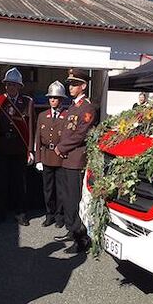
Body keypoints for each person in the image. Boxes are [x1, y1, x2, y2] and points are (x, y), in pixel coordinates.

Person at [54, 69, 96, 254]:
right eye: (69, 84)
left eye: (74, 84)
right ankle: (71, 231)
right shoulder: (72, 106)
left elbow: (81, 134)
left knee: (76, 200)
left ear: (83, 86)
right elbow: (67, 131)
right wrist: (62, 148)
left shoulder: (87, 107)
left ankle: (81, 239)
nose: (70, 87)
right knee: (67, 198)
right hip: (67, 158)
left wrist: (62, 148)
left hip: (76, 159)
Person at [0, 67, 35, 226]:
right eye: (8, 84)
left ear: (19, 86)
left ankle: (21, 213)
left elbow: (31, 126)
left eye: (14, 84)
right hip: (2, 147)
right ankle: (0, 213)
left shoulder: (27, 102)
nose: (10, 87)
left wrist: (30, 149)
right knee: (1, 182)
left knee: (20, 183)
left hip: (19, 147)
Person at [35, 81, 67, 228]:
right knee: (47, 189)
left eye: (55, 98)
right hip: (46, 155)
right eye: (51, 98)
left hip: (60, 157)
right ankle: (49, 214)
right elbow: (38, 138)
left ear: (61, 99)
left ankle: (59, 216)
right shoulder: (42, 115)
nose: (52, 100)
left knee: (60, 190)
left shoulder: (67, 115)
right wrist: (38, 159)